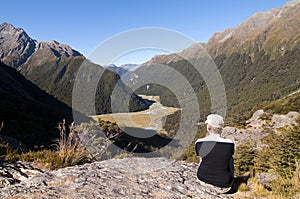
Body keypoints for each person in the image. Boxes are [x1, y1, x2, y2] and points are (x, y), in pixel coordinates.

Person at [195, 114, 234, 193]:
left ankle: (207, 173)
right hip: (224, 186)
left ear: (208, 127)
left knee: (204, 156)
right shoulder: (229, 144)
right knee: (230, 158)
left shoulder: (199, 142)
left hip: (203, 180)